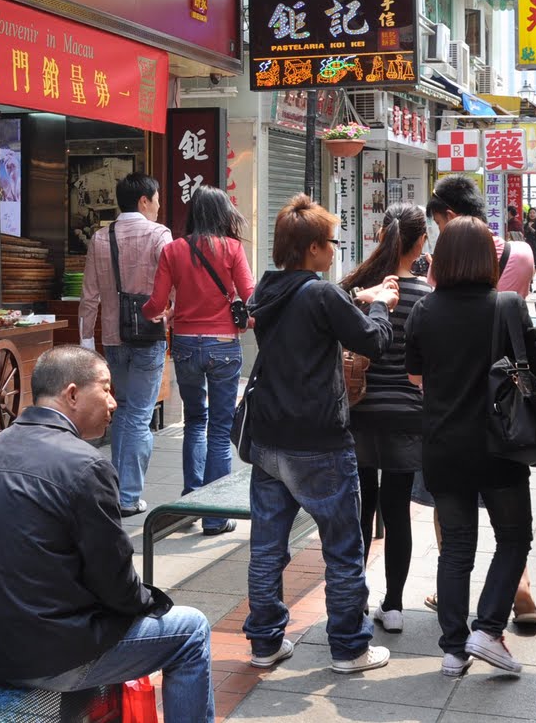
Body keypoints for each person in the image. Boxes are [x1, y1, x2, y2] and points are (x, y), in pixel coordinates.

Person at [0, 346, 214, 717]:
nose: (114, 402)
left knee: (98, 619)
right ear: (72, 394)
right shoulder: (86, 466)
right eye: (106, 389)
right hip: (47, 655)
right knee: (191, 630)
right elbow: (117, 584)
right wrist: (152, 602)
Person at [242, 195, 398, 675]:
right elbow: (373, 342)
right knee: (343, 548)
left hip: (269, 438)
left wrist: (358, 299)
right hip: (318, 441)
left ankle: (265, 642)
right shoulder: (321, 294)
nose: (334, 249)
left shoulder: (267, 290)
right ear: (312, 248)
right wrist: (382, 306)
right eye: (331, 242)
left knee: (267, 548)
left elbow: (311, 318)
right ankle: (349, 647)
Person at [406, 217, 536, 677]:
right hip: (499, 445)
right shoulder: (508, 305)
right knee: (514, 537)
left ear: (442, 259)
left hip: (443, 445)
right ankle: (487, 629)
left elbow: (415, 374)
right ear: (490, 259)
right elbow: (535, 370)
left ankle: (453, 649)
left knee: (456, 547)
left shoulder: (424, 310)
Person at [339, 204, 431, 635]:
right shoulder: (426, 297)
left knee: (359, 511)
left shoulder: (360, 289)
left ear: (381, 235)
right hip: (407, 416)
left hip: (358, 411)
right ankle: (393, 607)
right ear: (421, 242)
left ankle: (354, 600)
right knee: (396, 513)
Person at [142, 186, 253, 535]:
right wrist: (246, 319)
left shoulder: (174, 249)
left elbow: (156, 304)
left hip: (186, 345)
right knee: (219, 429)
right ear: (223, 214)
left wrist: (147, 311)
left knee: (194, 421)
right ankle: (215, 516)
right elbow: (250, 297)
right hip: (223, 345)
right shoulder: (232, 248)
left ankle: (190, 503)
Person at [80, 172, 171, 517]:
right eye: (157, 199)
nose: (159, 206)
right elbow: (173, 285)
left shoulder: (100, 238)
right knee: (139, 416)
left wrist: (87, 343)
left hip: (112, 336)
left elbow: (89, 296)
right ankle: (129, 496)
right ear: (144, 201)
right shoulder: (160, 235)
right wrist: (172, 315)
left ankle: (116, 490)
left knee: (122, 411)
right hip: (148, 333)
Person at [426, 176, 534, 297]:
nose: (440, 231)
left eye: (438, 223)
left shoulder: (441, 265)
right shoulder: (522, 253)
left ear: (451, 217)